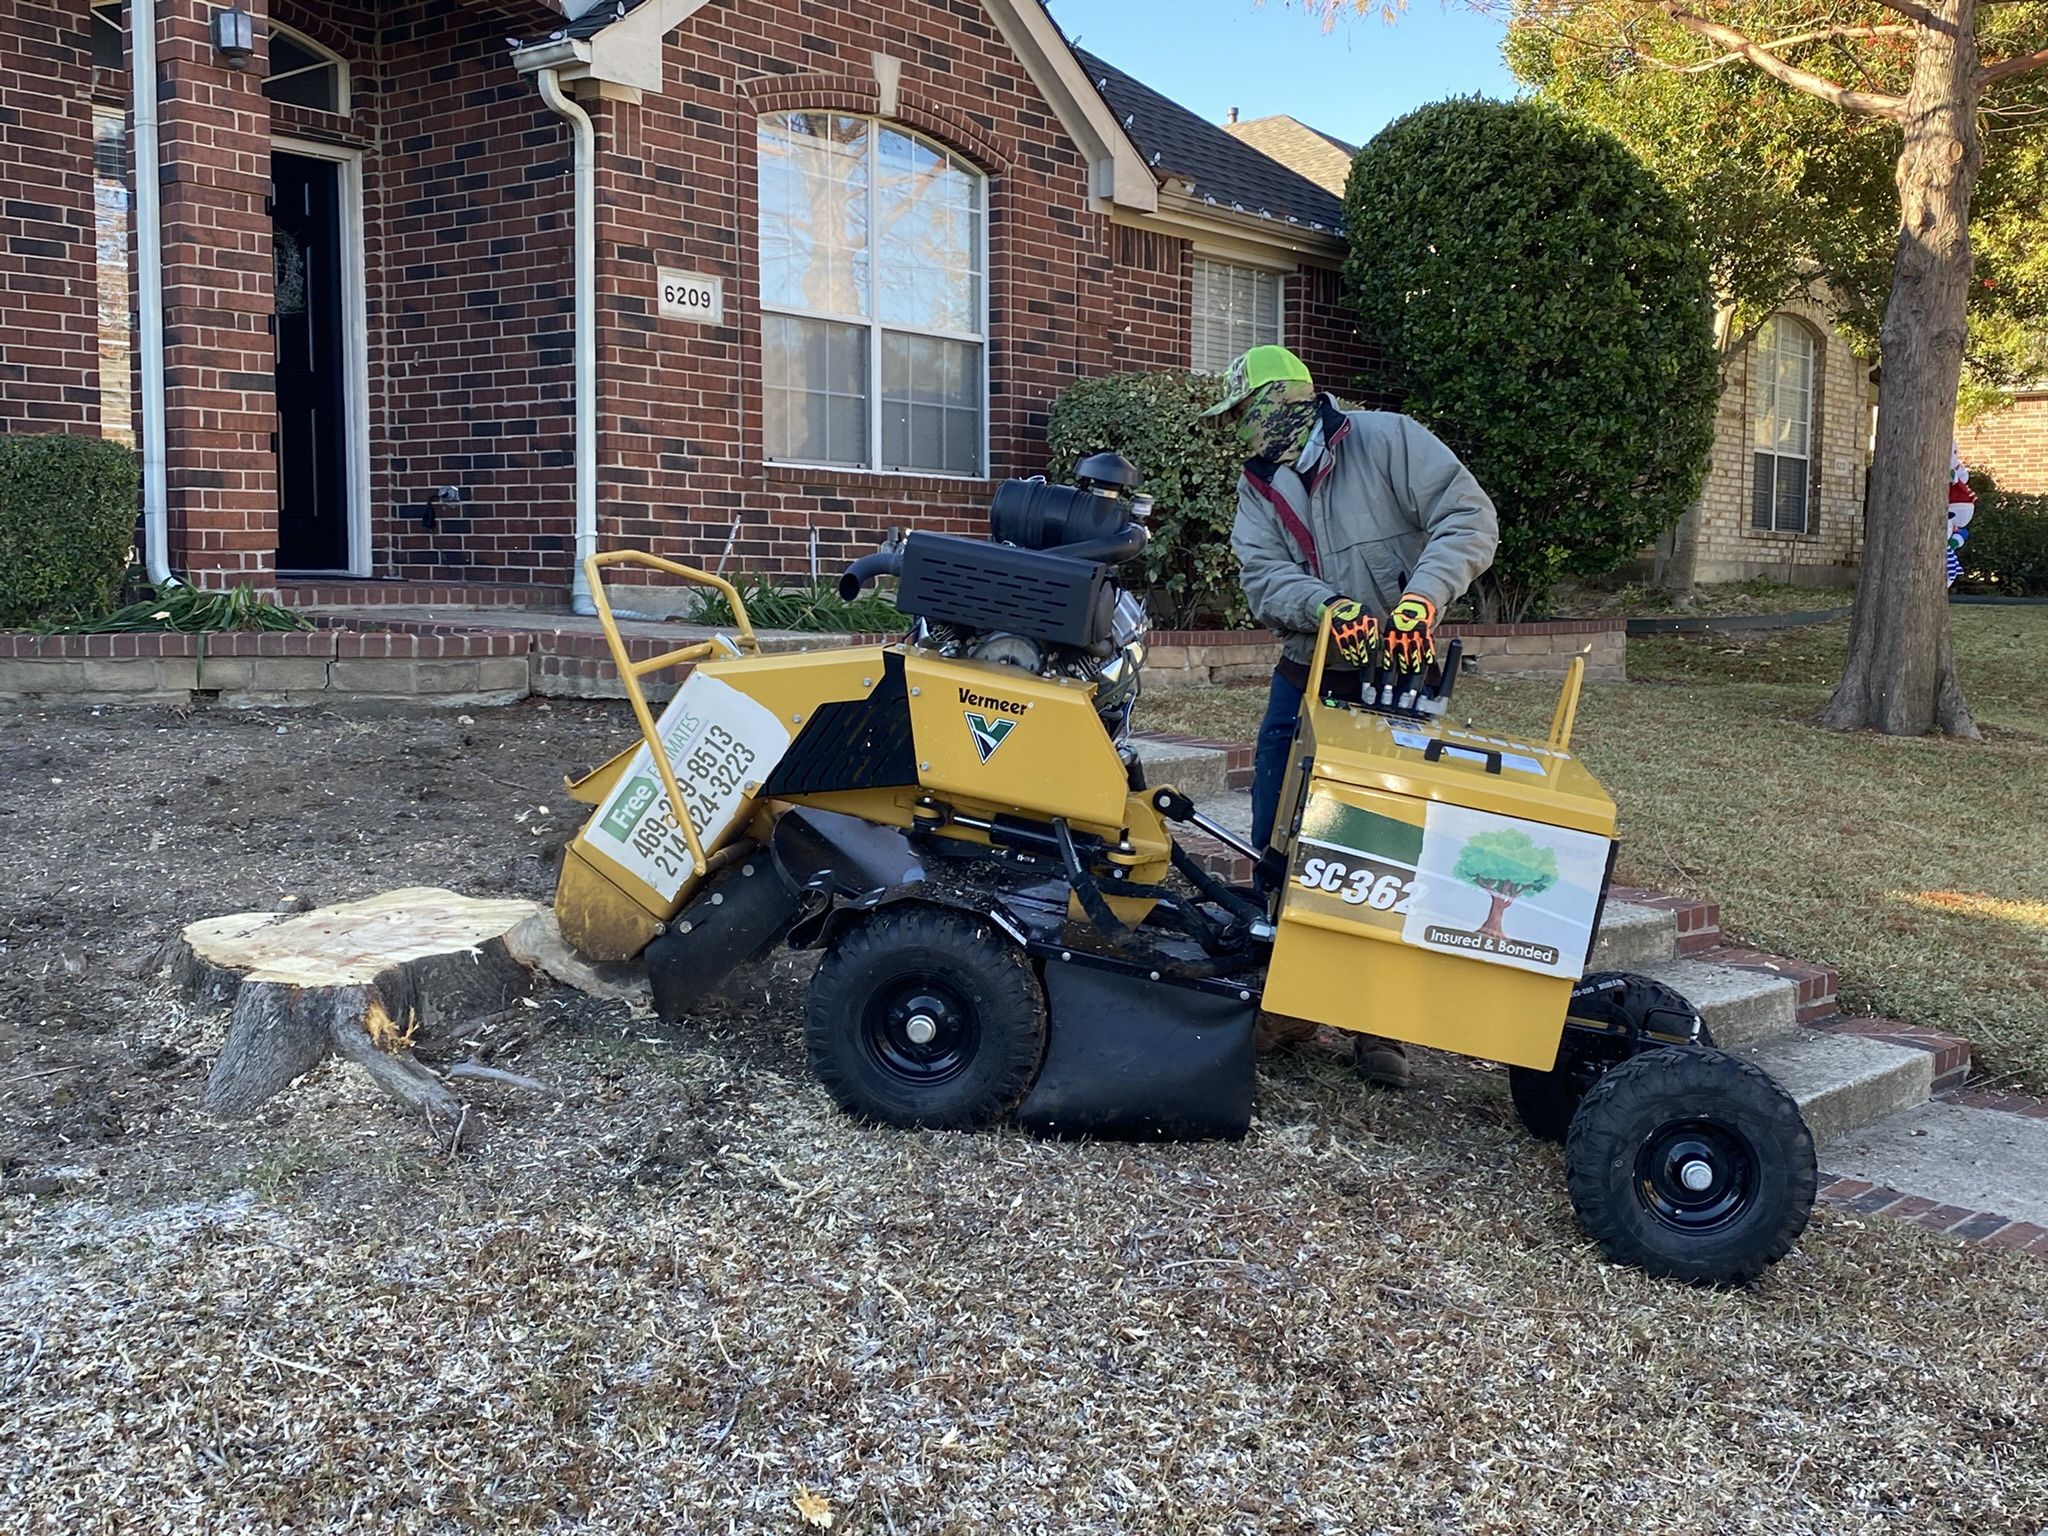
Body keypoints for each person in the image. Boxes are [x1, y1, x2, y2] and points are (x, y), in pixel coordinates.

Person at [1206, 344, 1499, 1086]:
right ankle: (1291, 1000)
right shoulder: (1259, 485)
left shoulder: (1390, 439)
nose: (1242, 431)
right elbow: (1263, 578)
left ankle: (1377, 1027)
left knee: (1382, 847)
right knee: (1279, 831)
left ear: (1284, 404)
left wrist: (1421, 599)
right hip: (1306, 673)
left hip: (1394, 681)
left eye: (1246, 414)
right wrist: (1324, 606)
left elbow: (1467, 519)